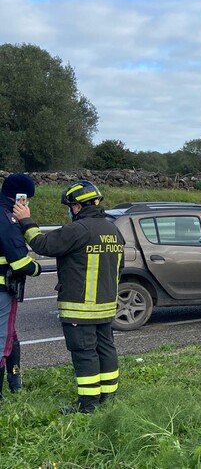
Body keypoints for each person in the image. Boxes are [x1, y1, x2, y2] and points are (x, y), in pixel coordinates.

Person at [14, 180, 125, 413]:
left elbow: (42, 244)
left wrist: (25, 219)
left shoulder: (78, 230)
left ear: (77, 206)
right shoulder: (113, 230)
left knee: (85, 355)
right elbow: (120, 266)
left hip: (79, 308)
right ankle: (108, 399)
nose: (70, 210)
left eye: (70, 206)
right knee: (106, 350)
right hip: (106, 307)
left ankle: (88, 407)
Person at [0, 174, 42, 399]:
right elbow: (20, 262)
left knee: (10, 335)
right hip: (3, 290)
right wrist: (37, 268)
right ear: (19, 197)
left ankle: (15, 381)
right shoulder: (7, 218)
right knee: (2, 340)